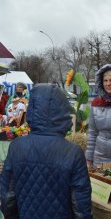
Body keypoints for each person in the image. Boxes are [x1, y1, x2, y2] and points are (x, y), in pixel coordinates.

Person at [0, 84, 92, 219]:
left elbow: (7, 196)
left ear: (32, 109)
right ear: (63, 110)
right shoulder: (74, 152)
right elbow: (81, 206)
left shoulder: (16, 146)